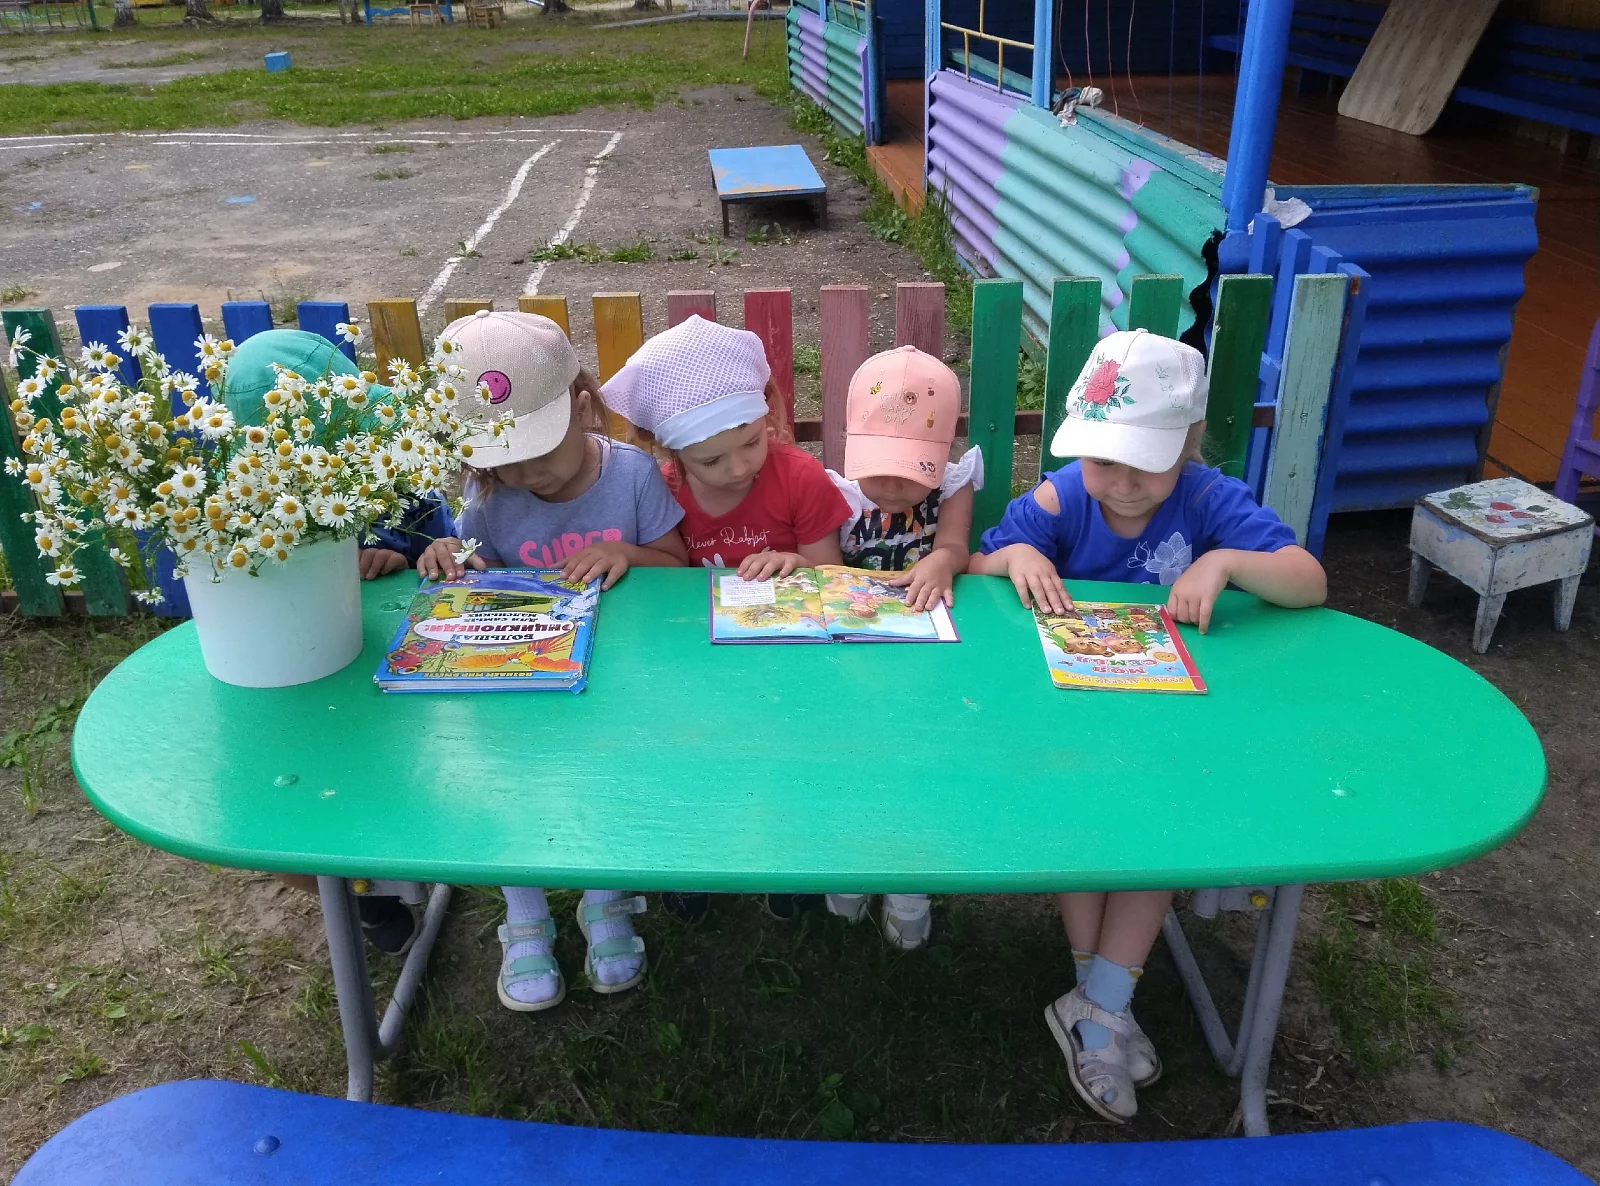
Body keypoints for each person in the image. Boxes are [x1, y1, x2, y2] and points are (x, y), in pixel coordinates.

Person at [969, 329, 1327, 1122]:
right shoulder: (1065, 496)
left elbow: (1308, 581)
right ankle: (1101, 1002)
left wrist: (1226, 562)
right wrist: (1017, 558)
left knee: (1160, 832)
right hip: (1069, 724)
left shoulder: (1208, 499)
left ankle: (1099, 1003)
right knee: (1091, 828)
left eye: (1145, 462)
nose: (1123, 483)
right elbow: (982, 564)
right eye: (1104, 460)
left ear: (1190, 443)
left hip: (1170, 730)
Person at [415, 310, 689, 1012]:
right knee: (508, 782)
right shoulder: (490, 495)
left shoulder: (631, 476)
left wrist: (627, 552)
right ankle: (525, 912)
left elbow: (679, 566)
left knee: (608, 778)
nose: (522, 470)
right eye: (500, 456)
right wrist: (449, 555)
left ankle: (606, 896)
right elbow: (476, 567)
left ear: (583, 403)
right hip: (526, 683)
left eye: (537, 446)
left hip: (621, 681)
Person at [601, 315, 853, 923]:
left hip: (787, 663)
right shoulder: (661, 489)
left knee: (792, 760)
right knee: (686, 756)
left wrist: (797, 562)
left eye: (752, 443)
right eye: (711, 460)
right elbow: (664, 576)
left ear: (768, 416)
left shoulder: (799, 477)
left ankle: (788, 856)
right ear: (668, 451)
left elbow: (835, 577)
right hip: (695, 665)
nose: (739, 468)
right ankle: (692, 857)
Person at [222, 328, 452, 956]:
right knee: (273, 809)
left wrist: (406, 559)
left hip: (396, 672)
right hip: (295, 676)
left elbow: (446, 554)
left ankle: (396, 867)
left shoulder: (398, 478)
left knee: (401, 775)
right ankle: (360, 893)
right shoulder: (237, 510)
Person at [820, 344, 982, 949]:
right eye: (878, 468)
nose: (890, 486)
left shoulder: (954, 486)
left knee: (921, 760)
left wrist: (943, 558)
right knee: (846, 756)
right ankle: (851, 861)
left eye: (912, 471)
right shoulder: (837, 491)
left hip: (929, 653)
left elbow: (956, 546)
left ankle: (910, 878)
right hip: (852, 653)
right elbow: (824, 569)